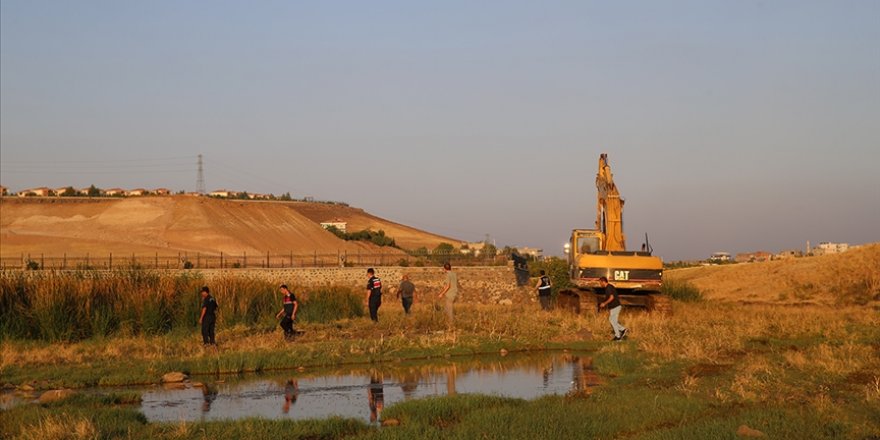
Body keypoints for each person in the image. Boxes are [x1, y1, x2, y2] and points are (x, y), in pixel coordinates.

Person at [598, 276, 628, 341]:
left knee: (612, 320)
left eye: (600, 283)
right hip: (614, 307)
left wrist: (604, 304)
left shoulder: (608, 288)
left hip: (615, 306)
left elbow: (612, 297)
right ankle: (622, 330)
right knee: (612, 320)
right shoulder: (608, 287)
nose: (600, 284)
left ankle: (618, 336)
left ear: (603, 282)